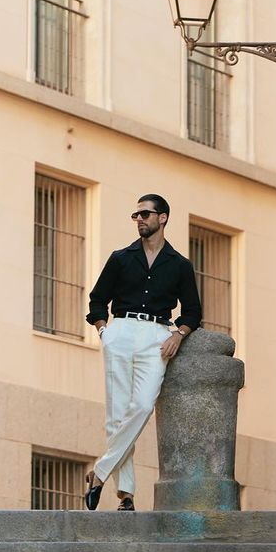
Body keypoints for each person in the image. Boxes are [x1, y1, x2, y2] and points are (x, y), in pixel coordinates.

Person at [84, 193, 202, 511]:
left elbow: (193, 311)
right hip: (120, 331)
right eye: (136, 215)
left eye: (145, 214)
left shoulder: (179, 265)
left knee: (143, 405)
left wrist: (179, 334)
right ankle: (126, 495)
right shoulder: (120, 258)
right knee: (117, 414)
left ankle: (99, 471)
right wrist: (104, 331)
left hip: (156, 337)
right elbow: (97, 300)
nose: (140, 220)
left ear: (162, 218)